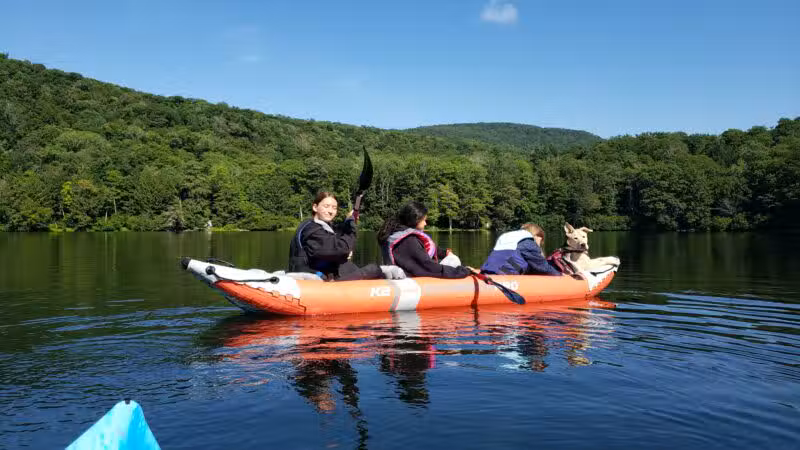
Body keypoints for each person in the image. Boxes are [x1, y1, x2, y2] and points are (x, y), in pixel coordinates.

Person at [288, 191, 384, 281]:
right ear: (315, 207)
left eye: (334, 208)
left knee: (349, 266)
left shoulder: (317, 226)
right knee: (373, 269)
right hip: (312, 279)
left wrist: (349, 221)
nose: (330, 211)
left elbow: (337, 235)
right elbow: (340, 249)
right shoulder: (311, 230)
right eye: (326, 206)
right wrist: (351, 228)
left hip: (321, 274)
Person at [377, 202, 473, 278]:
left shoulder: (398, 234)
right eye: (424, 220)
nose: (425, 223)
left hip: (401, 275)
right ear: (416, 219)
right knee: (454, 260)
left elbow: (432, 250)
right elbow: (428, 267)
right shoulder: (409, 241)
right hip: (410, 280)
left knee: (451, 256)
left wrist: (446, 253)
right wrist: (464, 271)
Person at [480, 223, 563, 276]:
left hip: (488, 271)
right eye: (541, 240)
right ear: (537, 235)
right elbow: (543, 267)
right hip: (502, 277)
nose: (540, 244)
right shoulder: (528, 243)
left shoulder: (508, 237)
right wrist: (560, 275)